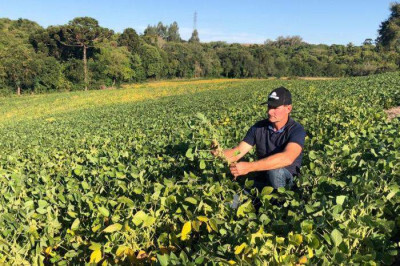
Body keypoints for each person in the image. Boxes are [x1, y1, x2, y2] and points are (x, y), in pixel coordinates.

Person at [213, 86, 306, 193]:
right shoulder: (259, 128)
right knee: (234, 198)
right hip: (263, 179)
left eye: (275, 108)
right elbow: (238, 151)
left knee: (275, 173)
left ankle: (281, 204)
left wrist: (249, 167)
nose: (270, 112)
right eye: (269, 107)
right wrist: (218, 153)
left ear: (288, 109)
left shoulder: (296, 130)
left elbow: (287, 158)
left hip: (287, 182)